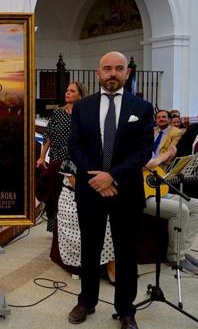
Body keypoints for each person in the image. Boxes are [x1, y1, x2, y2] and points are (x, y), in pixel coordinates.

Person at [68, 51, 154, 329]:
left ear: (127, 73)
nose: (113, 73)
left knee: (126, 252)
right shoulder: (83, 107)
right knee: (90, 249)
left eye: (119, 68)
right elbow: (75, 146)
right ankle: (86, 301)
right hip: (90, 190)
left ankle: (126, 310)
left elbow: (143, 151)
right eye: (107, 68)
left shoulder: (142, 108)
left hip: (126, 191)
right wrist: (97, 178)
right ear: (98, 73)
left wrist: (112, 177)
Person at [143, 145, 198, 275]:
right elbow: (140, 165)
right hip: (141, 197)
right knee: (181, 210)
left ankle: (184, 251)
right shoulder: (128, 144)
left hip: (157, 190)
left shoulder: (147, 146)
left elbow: (159, 172)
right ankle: (176, 257)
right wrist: (162, 157)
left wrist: (167, 163)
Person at [36, 82, 86, 232]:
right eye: (67, 90)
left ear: (80, 94)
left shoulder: (85, 113)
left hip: (76, 159)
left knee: (71, 193)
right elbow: (48, 135)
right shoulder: (58, 113)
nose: (67, 93)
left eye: (72, 91)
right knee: (54, 193)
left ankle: (73, 227)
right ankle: (56, 230)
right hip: (57, 156)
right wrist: (41, 156)